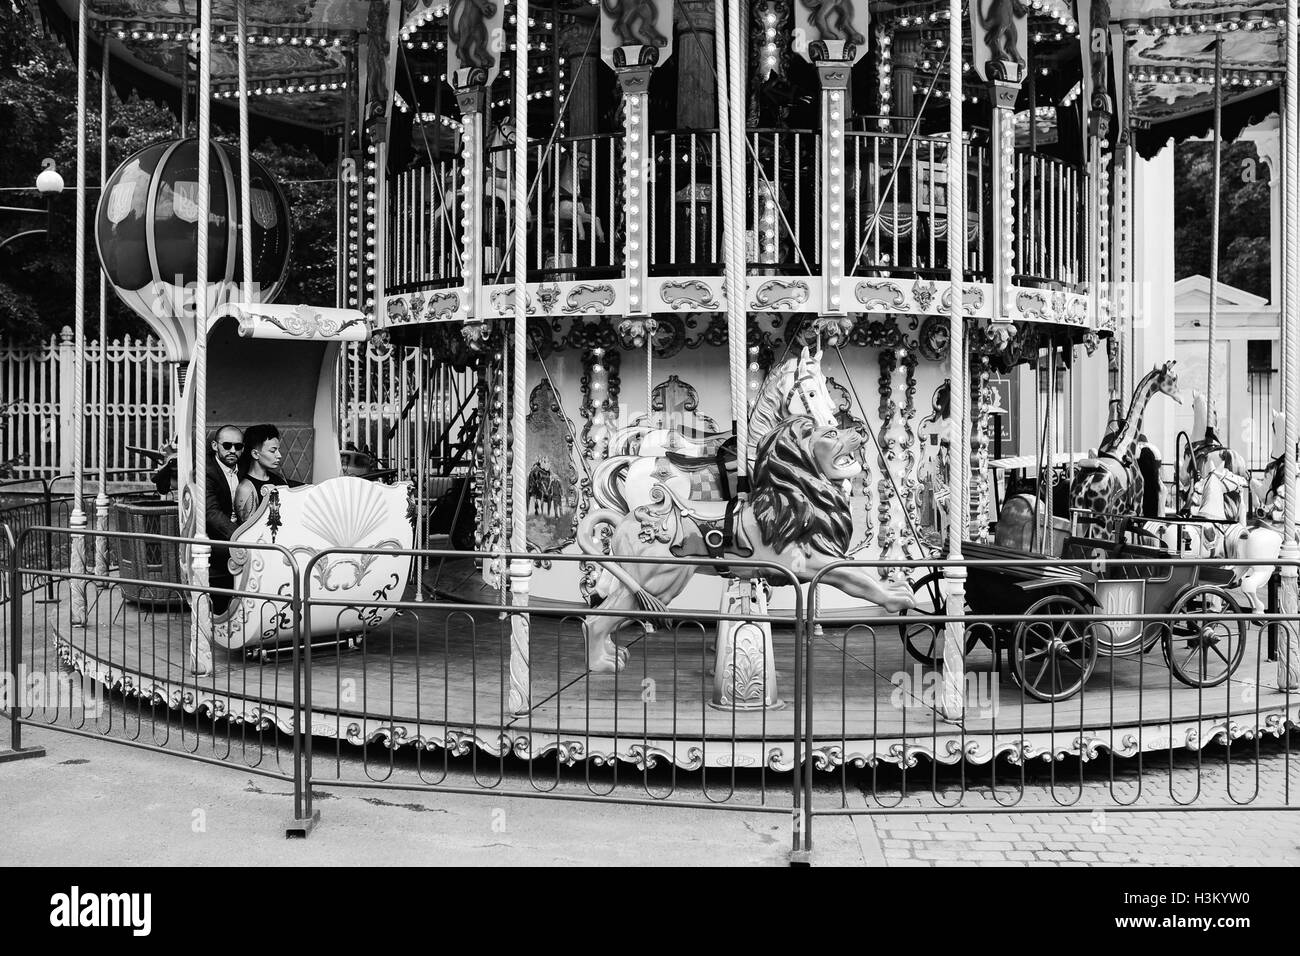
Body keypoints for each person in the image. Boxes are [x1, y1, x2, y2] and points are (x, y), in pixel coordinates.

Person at [205, 424, 243, 613]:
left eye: (238, 447)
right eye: (227, 445)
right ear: (215, 446)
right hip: (217, 537)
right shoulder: (206, 471)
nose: (233, 451)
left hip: (242, 534)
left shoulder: (244, 467)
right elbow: (211, 513)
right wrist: (240, 537)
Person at [234, 424, 290, 524]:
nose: (279, 455)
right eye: (273, 451)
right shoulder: (246, 489)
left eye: (278, 450)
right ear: (255, 454)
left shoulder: (280, 478)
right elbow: (248, 532)